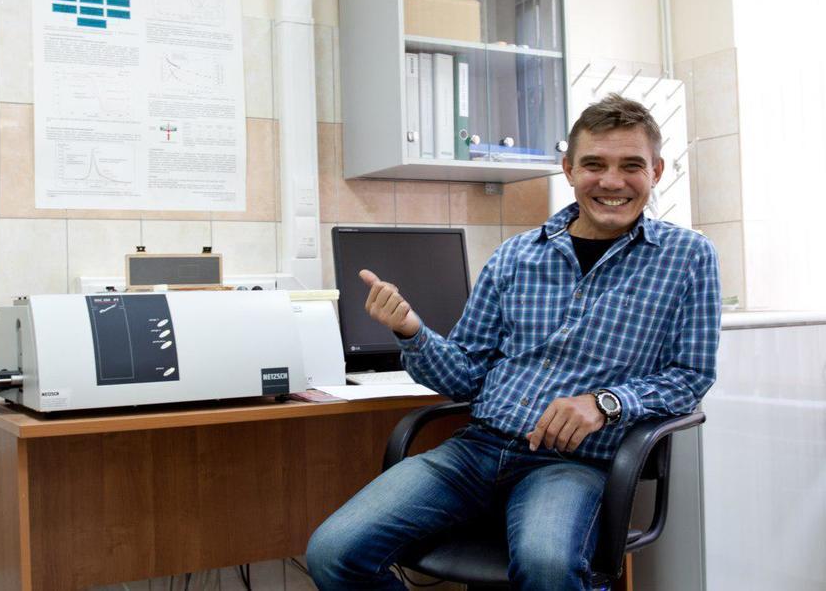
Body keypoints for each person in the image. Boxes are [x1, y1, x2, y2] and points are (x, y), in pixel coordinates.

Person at [306, 93, 721, 590]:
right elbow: (465, 375)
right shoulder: (515, 255)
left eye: (631, 165)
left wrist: (605, 402)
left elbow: (691, 376)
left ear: (656, 172)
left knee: (547, 566)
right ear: (569, 170)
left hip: (573, 464)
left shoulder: (688, 256)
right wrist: (411, 332)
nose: (612, 182)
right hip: (475, 450)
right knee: (333, 552)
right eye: (594, 164)